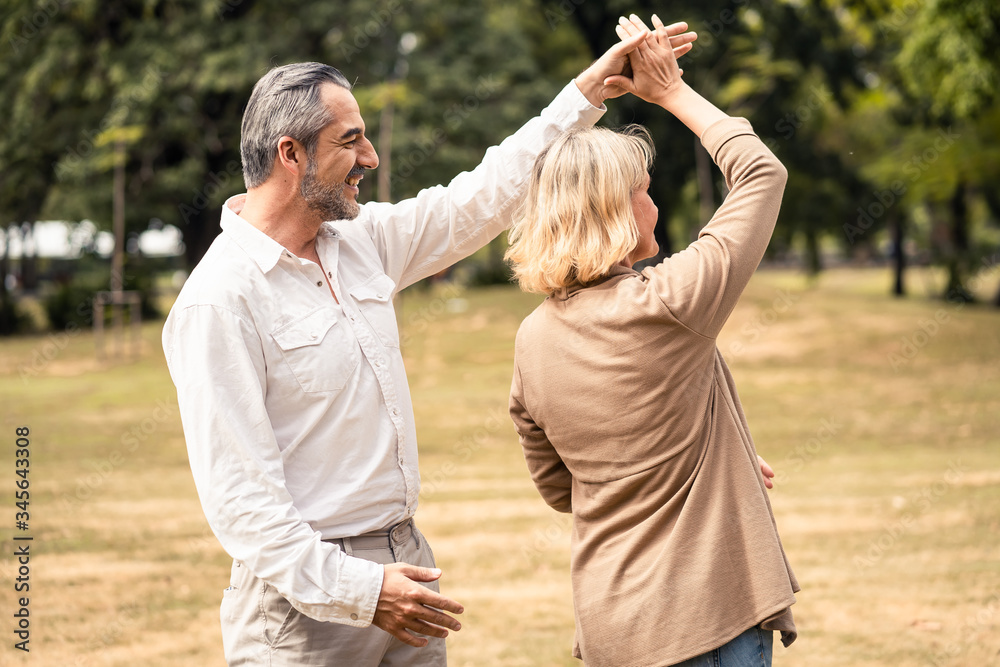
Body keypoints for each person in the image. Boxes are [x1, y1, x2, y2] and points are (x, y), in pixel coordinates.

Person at [161, 18, 699, 666]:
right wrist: (362, 592)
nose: (371, 159)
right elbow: (245, 510)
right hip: (301, 611)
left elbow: (482, 196)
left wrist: (588, 93)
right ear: (290, 154)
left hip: (406, 571)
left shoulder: (361, 242)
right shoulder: (219, 301)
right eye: (351, 141)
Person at [505, 14, 799, 667]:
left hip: (613, 626)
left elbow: (562, 486)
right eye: (643, 193)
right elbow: (760, 173)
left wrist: (703, 459)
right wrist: (669, 92)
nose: (655, 207)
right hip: (709, 619)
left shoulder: (532, 339)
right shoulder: (668, 302)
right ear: (615, 214)